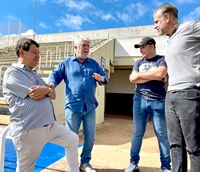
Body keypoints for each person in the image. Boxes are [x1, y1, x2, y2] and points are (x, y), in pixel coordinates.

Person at [2, 38, 79, 172]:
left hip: (50, 125)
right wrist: (47, 90)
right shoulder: (13, 72)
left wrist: (47, 90)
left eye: (39, 53)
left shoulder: (34, 74)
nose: (38, 56)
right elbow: (34, 93)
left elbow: (52, 95)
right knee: (25, 169)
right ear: (22, 53)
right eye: (34, 52)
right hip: (29, 129)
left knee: (72, 139)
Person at [48, 35, 108, 172]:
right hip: (73, 107)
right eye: (83, 45)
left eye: (88, 45)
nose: (86, 48)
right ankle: (72, 164)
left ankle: (85, 163)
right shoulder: (66, 63)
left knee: (90, 137)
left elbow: (104, 76)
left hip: (90, 107)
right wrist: (52, 83)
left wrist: (102, 79)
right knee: (71, 138)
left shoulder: (93, 64)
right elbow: (55, 74)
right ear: (76, 47)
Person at [153, 3, 200, 172]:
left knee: (194, 148)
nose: (155, 25)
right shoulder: (170, 40)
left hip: (189, 95)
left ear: (167, 17)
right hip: (171, 96)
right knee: (175, 146)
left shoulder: (190, 27)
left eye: (157, 21)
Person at [125, 37, 171, 172]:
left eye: (143, 47)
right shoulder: (138, 62)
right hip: (139, 101)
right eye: (139, 47)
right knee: (137, 133)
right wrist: (155, 76)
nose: (141, 50)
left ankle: (166, 166)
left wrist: (141, 75)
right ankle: (133, 163)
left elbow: (161, 73)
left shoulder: (162, 59)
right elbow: (132, 78)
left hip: (158, 101)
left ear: (151, 46)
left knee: (161, 134)